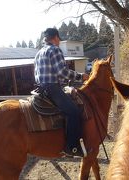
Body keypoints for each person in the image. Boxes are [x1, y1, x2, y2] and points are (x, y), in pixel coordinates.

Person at [34, 28, 89, 157]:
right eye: (59, 39)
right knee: (74, 112)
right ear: (56, 38)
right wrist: (81, 76)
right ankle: (71, 147)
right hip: (52, 88)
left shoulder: (39, 53)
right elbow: (62, 72)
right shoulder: (55, 49)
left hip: (41, 88)